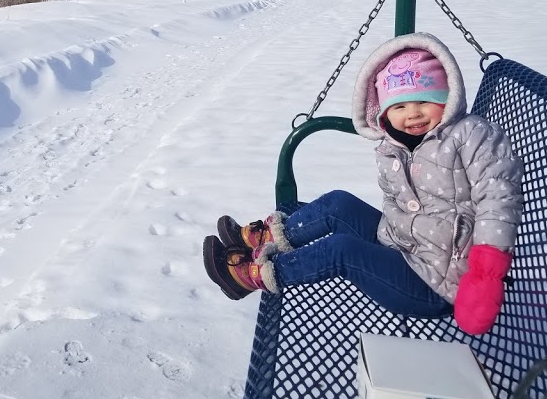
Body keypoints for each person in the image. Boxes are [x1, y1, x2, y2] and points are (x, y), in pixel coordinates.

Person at [202, 32, 524, 335]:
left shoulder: (471, 136)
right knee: (339, 204)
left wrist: (484, 275)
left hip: (435, 283)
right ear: (385, 111)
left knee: (342, 250)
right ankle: (263, 238)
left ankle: (257, 276)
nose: (413, 114)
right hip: (401, 244)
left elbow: (498, 203)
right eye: (399, 106)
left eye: (424, 101)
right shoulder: (394, 144)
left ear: (446, 97)